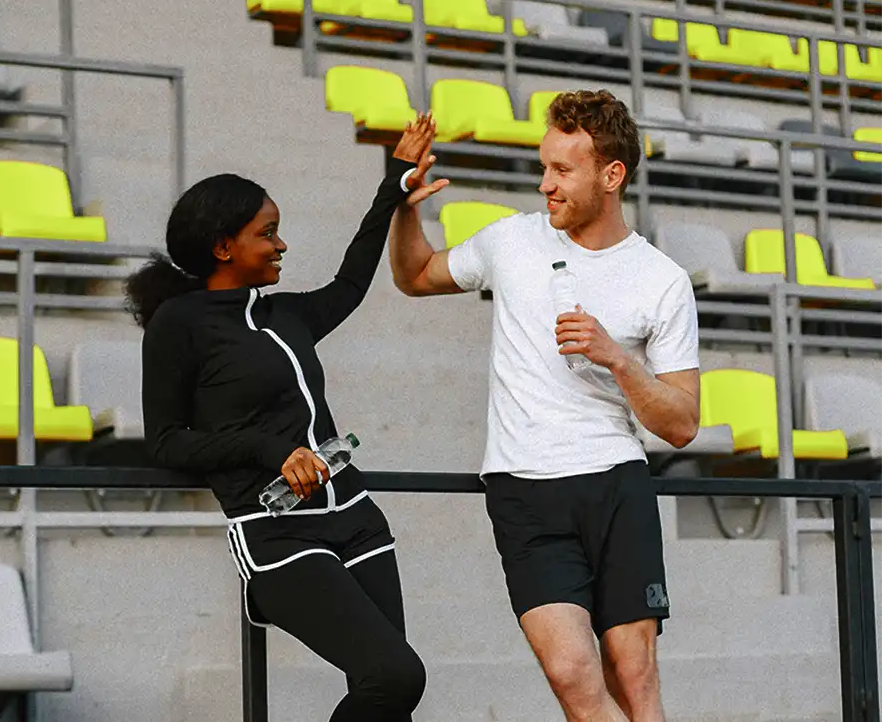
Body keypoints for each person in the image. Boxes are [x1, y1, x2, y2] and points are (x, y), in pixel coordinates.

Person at [388, 90, 700, 722]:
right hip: (522, 486)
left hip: (615, 481)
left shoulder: (661, 279)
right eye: (544, 166)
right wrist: (403, 209)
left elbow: (682, 422)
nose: (545, 185)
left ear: (611, 176)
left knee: (633, 674)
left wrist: (616, 357)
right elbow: (416, 276)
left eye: (562, 171)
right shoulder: (510, 241)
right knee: (571, 675)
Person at [126, 114, 448, 722]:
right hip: (277, 532)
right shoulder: (180, 327)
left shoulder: (283, 315)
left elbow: (352, 283)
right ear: (224, 247)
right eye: (267, 233)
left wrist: (394, 184)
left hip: (355, 517)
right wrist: (268, 449)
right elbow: (166, 442)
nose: (281, 245)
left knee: (389, 692)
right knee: (396, 673)